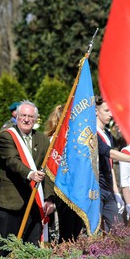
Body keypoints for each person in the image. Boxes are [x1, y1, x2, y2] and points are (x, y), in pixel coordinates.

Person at [0, 100, 56, 252]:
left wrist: (49, 198)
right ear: (16, 116)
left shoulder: (42, 139)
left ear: (35, 119)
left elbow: (48, 169)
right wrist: (30, 174)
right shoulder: (7, 136)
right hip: (11, 203)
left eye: (30, 116)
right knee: (4, 250)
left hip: (34, 204)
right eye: (23, 115)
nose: (26, 119)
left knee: (31, 250)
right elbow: (12, 161)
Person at [43, 104, 84, 242]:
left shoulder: (74, 139)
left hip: (77, 190)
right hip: (62, 190)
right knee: (66, 232)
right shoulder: (53, 140)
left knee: (77, 230)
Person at [95, 96, 130, 229]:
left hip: (109, 189)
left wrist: (116, 192)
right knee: (97, 230)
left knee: (117, 228)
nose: (111, 114)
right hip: (96, 187)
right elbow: (108, 152)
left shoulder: (107, 134)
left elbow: (110, 164)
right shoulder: (92, 133)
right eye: (106, 110)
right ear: (96, 111)